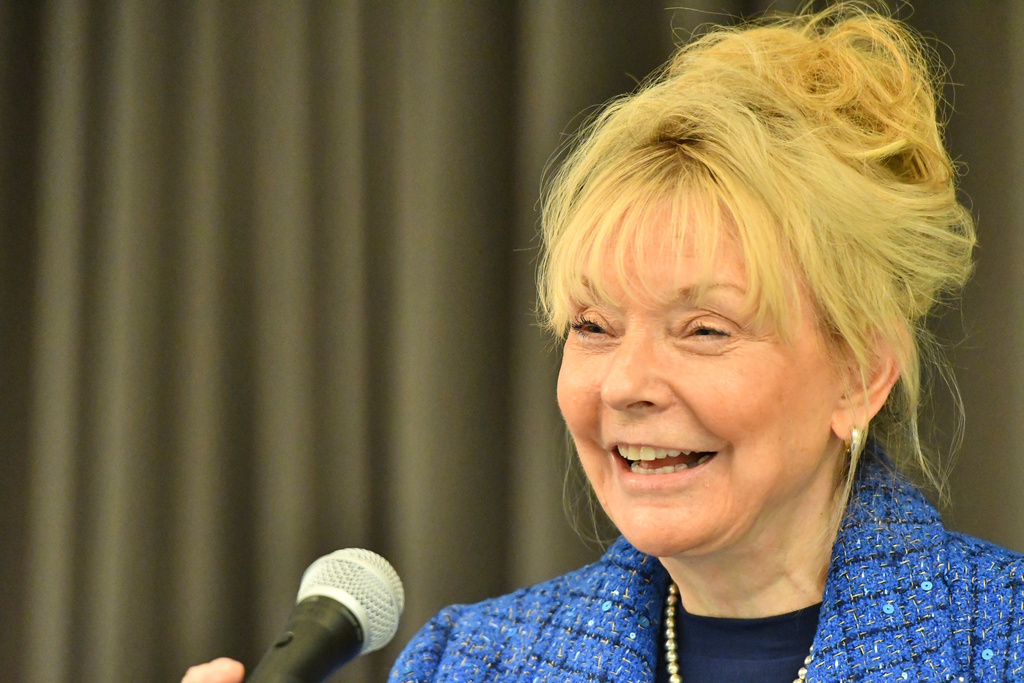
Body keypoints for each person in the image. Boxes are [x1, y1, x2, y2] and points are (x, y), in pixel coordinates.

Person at [184, 5, 1024, 683]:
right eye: (593, 326)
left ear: (861, 372)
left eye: (704, 330)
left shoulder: (1003, 638)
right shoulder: (471, 663)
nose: (626, 383)